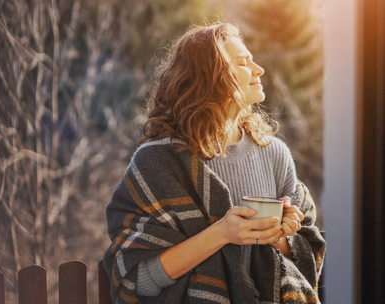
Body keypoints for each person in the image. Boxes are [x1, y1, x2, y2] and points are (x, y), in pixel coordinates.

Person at [103, 22, 326, 304]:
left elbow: (307, 261)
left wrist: (280, 233)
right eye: (244, 63)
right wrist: (221, 233)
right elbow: (137, 280)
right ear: (210, 77)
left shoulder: (274, 154)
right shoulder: (158, 162)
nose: (259, 70)